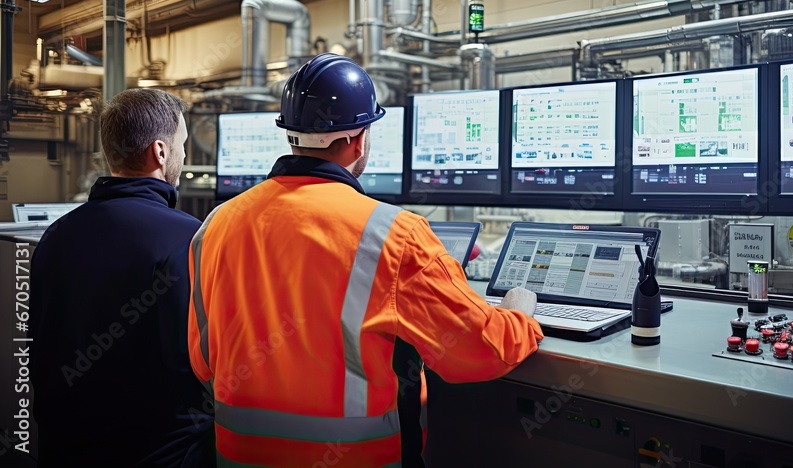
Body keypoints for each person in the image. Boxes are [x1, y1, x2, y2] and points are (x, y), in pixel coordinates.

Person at [188, 53, 542, 467]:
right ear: (359, 140)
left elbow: (203, 362)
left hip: (238, 459)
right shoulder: (395, 233)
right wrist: (518, 314)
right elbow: (480, 351)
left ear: (291, 136)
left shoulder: (215, 224)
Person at [28, 88, 215, 467]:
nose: (183, 154)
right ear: (161, 152)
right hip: (161, 454)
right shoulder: (187, 238)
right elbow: (198, 363)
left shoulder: (56, 236)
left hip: (62, 450)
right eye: (181, 145)